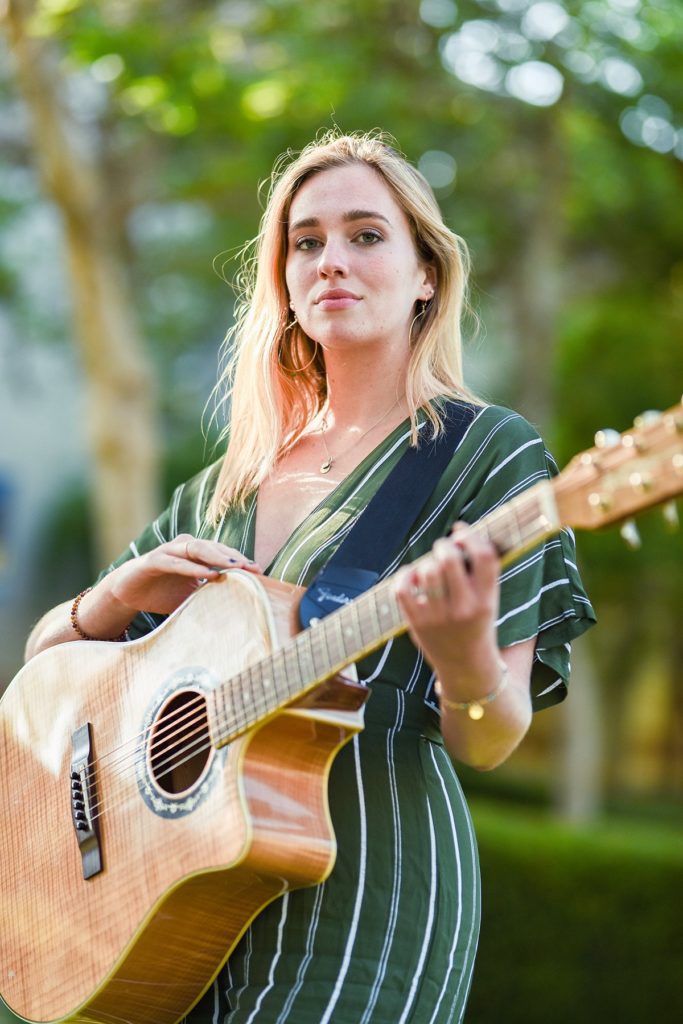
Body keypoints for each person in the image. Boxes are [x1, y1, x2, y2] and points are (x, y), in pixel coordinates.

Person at [25, 130, 596, 1023]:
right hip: (165, 893)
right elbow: (45, 674)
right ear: (284, 280)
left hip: (366, 885)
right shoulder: (226, 486)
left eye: (366, 235)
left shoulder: (486, 452)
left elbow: (490, 737)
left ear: (425, 277)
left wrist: (462, 661)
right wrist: (113, 599)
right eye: (306, 241)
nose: (332, 260)